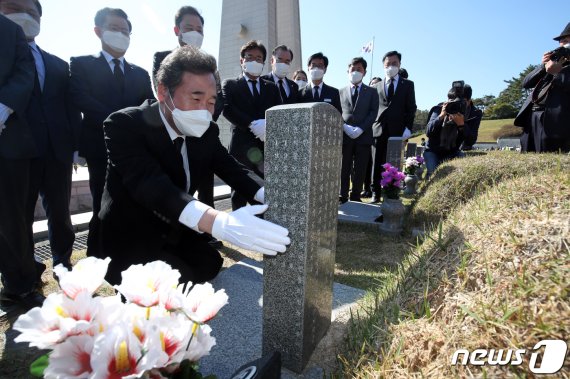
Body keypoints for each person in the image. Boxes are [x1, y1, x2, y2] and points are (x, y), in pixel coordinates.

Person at [98, 46, 290, 284]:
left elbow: (231, 168)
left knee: (209, 264)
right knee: (162, 288)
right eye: (196, 98)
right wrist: (218, 222)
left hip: (175, 226)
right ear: (163, 92)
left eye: (211, 101)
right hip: (131, 231)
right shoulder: (124, 124)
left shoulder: (206, 130)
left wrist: (270, 195)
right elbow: (150, 184)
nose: (205, 111)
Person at [3, 0, 81, 273]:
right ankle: (27, 268)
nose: (26, 15)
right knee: (20, 215)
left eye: (34, 12)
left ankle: (63, 260)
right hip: (18, 151)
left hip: (56, 151)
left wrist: (74, 147)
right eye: (15, 8)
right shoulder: (5, 58)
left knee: (60, 212)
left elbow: (70, 108)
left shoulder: (58, 64)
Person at [70, 7, 155, 257]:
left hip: (134, 148)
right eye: (114, 29)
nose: (121, 35)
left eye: (125, 31)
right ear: (98, 31)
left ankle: (128, 248)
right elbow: (79, 97)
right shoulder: (82, 64)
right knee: (101, 201)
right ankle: (96, 254)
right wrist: (119, 119)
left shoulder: (139, 73)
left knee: (133, 200)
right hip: (99, 146)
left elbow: (148, 103)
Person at [151, 5, 223, 247]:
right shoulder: (163, 59)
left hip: (201, 134)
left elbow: (218, 99)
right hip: (173, 134)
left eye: (199, 29)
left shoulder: (211, 67)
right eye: (189, 28)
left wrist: (204, 118)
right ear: (177, 29)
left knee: (205, 185)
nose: (195, 33)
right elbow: (162, 99)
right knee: (173, 187)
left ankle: (206, 231)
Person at [0, 9, 44, 309]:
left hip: (8, 139)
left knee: (11, 217)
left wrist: (2, 110)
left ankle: (20, 284)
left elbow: (22, 74)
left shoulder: (9, 32)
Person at [222, 40, 281, 210]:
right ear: (242, 61)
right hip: (240, 149)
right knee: (239, 193)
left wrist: (268, 125)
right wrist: (251, 124)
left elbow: (278, 111)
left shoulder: (271, 88)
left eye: (259, 58)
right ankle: (239, 227)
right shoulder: (231, 84)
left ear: (263, 63)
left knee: (266, 191)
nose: (254, 61)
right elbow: (227, 109)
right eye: (250, 57)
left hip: (264, 148)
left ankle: (264, 226)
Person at [515, 22, 570, 153]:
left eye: (567, 41)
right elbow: (526, 83)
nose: (563, 44)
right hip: (532, 116)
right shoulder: (553, 61)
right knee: (528, 155)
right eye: (561, 41)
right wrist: (543, 66)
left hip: (556, 122)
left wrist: (556, 73)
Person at [370, 51, 416, 203]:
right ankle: (375, 192)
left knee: (394, 163)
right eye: (388, 64)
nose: (391, 66)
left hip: (397, 130)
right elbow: (372, 108)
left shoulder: (408, 85)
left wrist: (408, 128)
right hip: (379, 129)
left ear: (399, 64)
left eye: (394, 63)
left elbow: (411, 107)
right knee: (377, 163)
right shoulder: (376, 86)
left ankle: (392, 192)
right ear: (383, 66)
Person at [339, 57, 379, 203]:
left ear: (364, 72)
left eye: (359, 69)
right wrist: (345, 126)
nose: (355, 72)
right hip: (345, 135)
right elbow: (338, 111)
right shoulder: (340, 91)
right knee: (344, 166)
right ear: (348, 71)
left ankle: (356, 195)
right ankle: (342, 194)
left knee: (360, 168)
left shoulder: (372, 92)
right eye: (353, 69)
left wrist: (361, 128)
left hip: (364, 136)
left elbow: (373, 112)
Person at [423, 83, 482, 177]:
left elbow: (471, 140)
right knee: (433, 175)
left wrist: (462, 125)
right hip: (432, 150)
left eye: (461, 102)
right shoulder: (440, 108)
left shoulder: (474, 113)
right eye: (453, 100)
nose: (456, 104)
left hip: (453, 152)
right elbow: (428, 132)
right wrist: (441, 116)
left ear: (469, 101)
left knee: (465, 172)